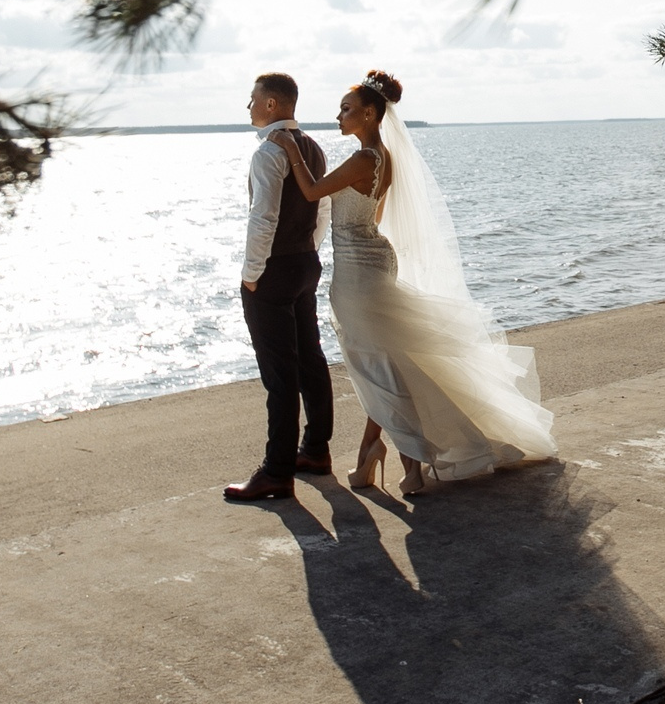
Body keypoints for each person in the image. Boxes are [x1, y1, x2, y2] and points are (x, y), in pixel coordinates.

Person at [273, 69, 556, 495]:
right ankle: (372, 452)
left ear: (369, 114)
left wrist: (289, 146)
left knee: (380, 367)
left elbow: (312, 192)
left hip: (358, 274)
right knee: (384, 362)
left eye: (346, 109)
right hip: (368, 261)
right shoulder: (382, 158)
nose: (338, 115)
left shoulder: (364, 159)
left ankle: (413, 464)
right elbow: (374, 215)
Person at [223, 72, 335, 504]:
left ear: (272, 104)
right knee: (310, 358)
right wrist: (310, 250)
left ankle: (277, 473)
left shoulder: (270, 151)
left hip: (274, 270)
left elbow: (263, 217)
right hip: (305, 263)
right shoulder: (315, 148)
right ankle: (316, 450)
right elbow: (322, 205)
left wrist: (252, 273)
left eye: (253, 99)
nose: (248, 106)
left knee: (280, 375)